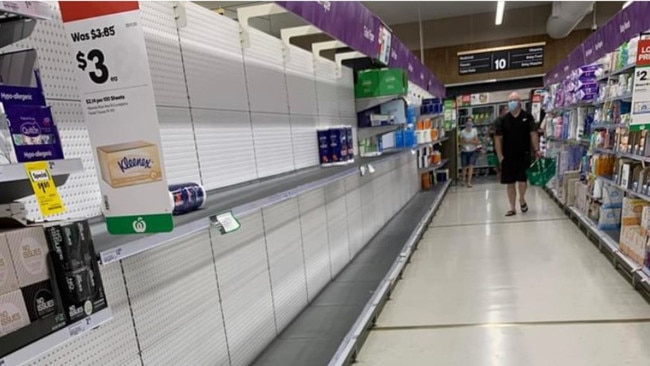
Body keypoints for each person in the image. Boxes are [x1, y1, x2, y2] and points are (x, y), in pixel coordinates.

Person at [494, 92, 540, 216]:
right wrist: (500, 156)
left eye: (513, 100)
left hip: (524, 154)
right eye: (509, 100)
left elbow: (533, 133)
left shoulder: (527, 117)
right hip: (508, 155)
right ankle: (512, 208)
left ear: (519, 102)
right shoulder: (503, 120)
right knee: (510, 183)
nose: (511, 103)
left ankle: (522, 198)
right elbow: (498, 138)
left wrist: (536, 149)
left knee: (522, 181)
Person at [459, 118, 479, 187]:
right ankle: (463, 180)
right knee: (464, 167)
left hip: (472, 151)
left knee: (471, 166)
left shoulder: (474, 131)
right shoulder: (462, 132)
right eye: (468, 122)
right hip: (464, 151)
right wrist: (466, 142)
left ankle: (469, 182)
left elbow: (476, 141)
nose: (469, 124)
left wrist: (469, 141)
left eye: (471, 122)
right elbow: (460, 142)